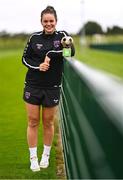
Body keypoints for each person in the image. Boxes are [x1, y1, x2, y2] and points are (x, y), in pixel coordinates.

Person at [22, 5, 75, 172]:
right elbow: (24, 59)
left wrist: (53, 53)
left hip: (52, 87)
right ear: (41, 22)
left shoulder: (63, 36)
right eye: (45, 21)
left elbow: (69, 54)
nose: (48, 24)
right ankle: (33, 158)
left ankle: (46, 155)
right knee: (32, 122)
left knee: (48, 122)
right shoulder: (34, 38)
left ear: (56, 21)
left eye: (51, 21)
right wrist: (39, 66)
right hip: (33, 85)